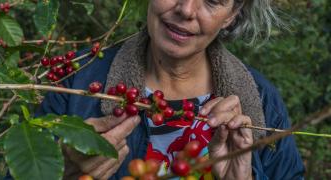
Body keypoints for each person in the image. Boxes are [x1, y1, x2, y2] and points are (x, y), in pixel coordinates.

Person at [37, 0, 305, 179]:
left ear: (232, 15)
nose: (187, 10)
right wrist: (63, 170)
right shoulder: (80, 79)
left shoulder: (261, 102)